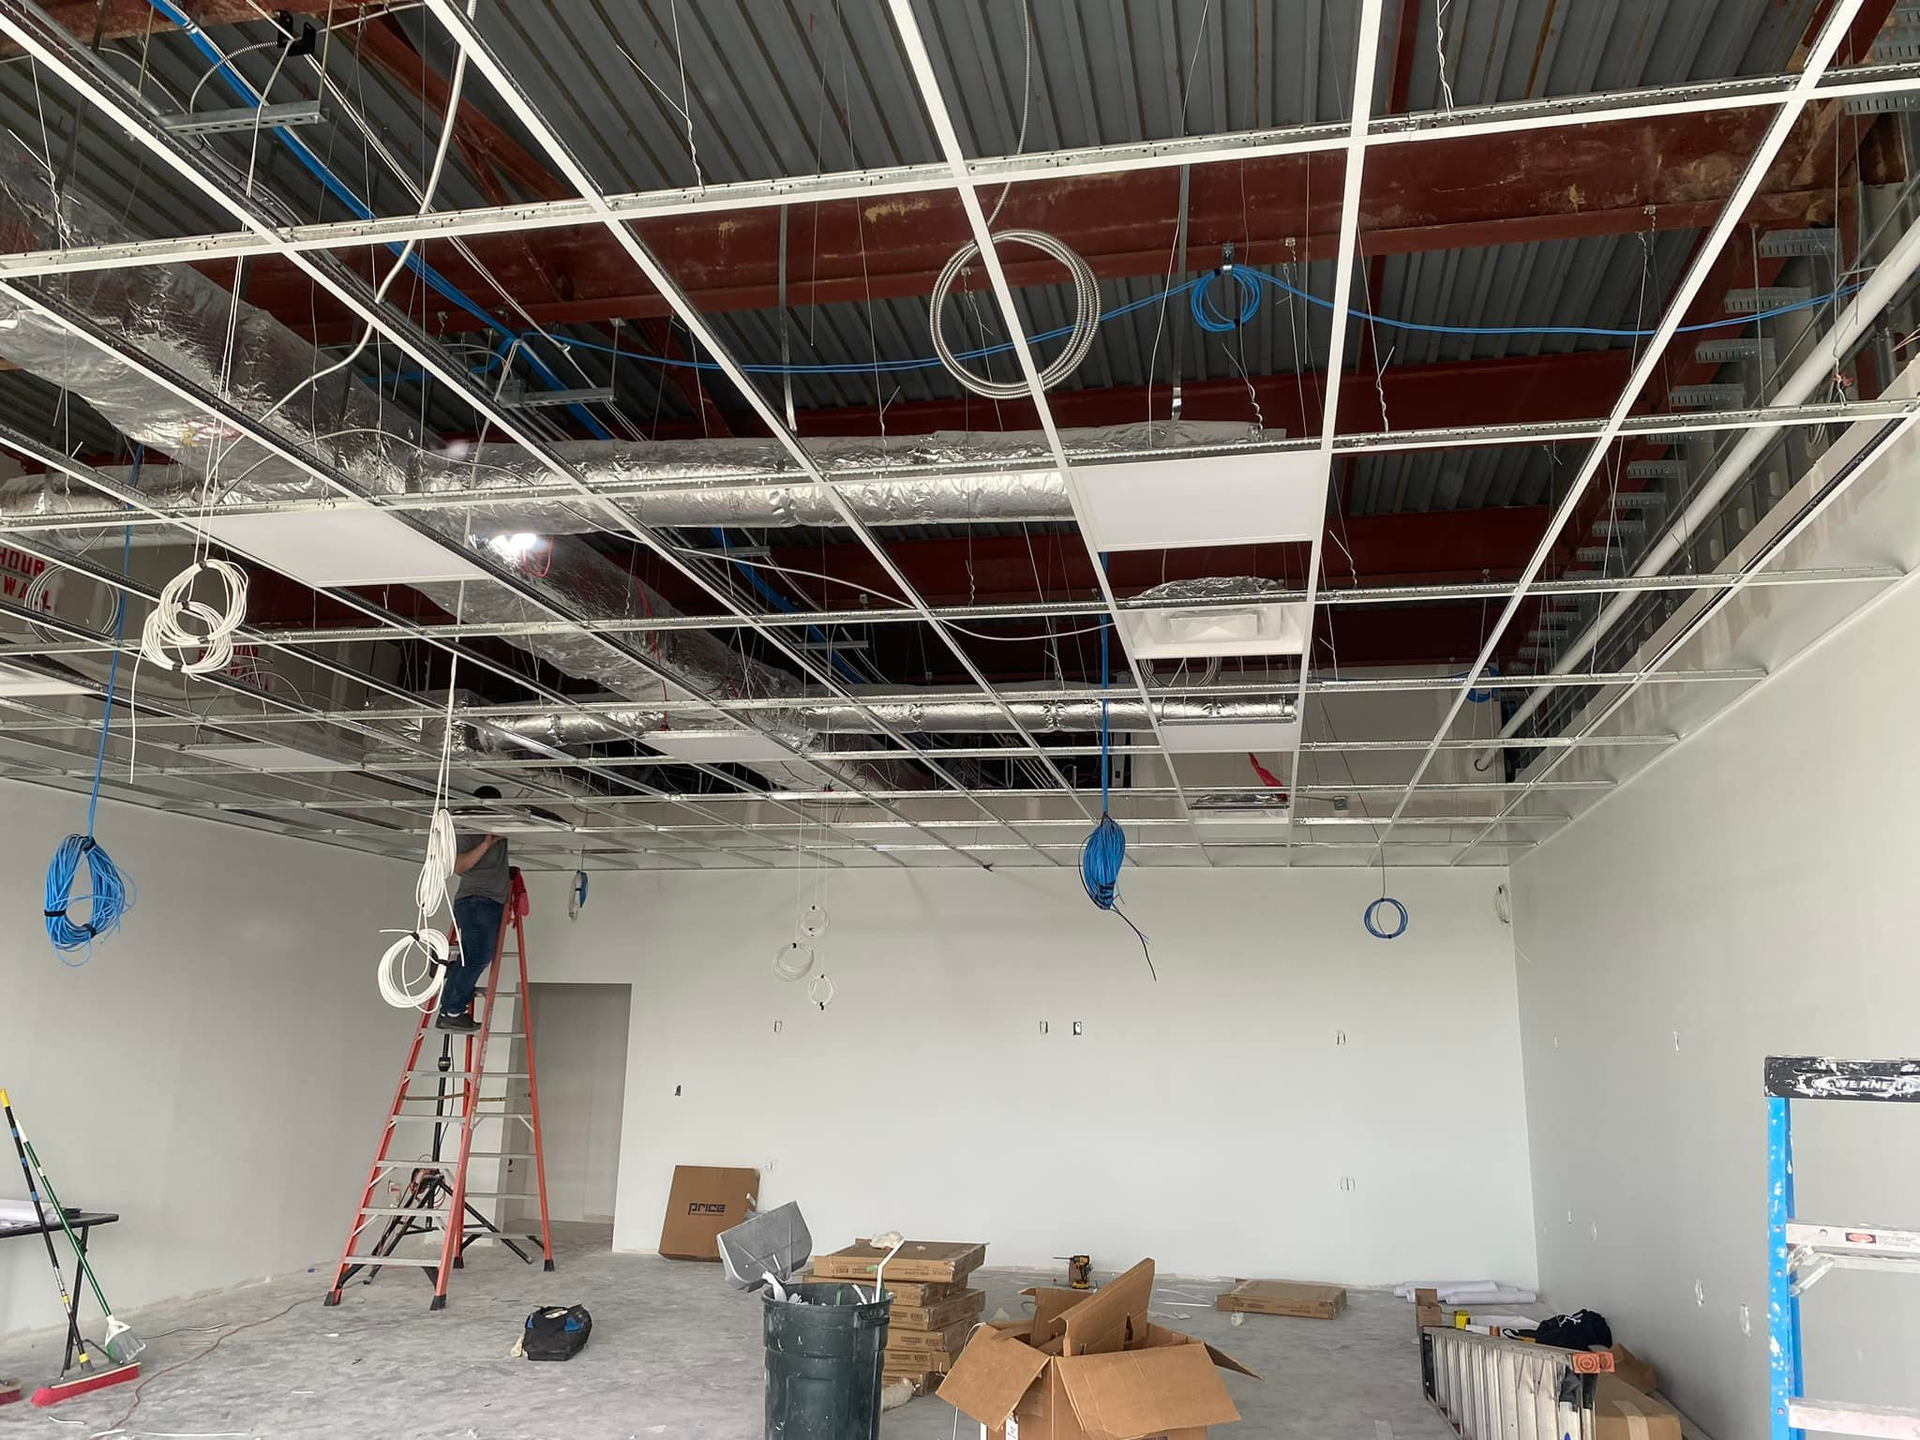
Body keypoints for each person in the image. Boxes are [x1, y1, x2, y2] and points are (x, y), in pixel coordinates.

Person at [439, 785, 511, 1033]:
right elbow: (457, 866)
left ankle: (448, 1011)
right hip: (476, 902)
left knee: (470, 958)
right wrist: (487, 843)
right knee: (477, 958)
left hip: (488, 903)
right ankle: (453, 1010)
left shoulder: (499, 827)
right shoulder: (469, 830)